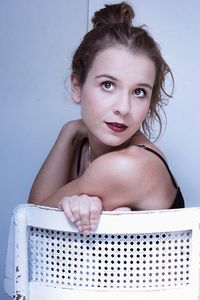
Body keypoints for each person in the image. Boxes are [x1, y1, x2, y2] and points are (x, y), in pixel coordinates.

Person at [28, 2, 184, 235]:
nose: (123, 108)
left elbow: (31, 220)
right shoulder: (81, 146)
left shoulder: (128, 166)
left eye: (139, 91)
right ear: (77, 86)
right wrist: (70, 130)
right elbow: (29, 220)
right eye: (108, 85)